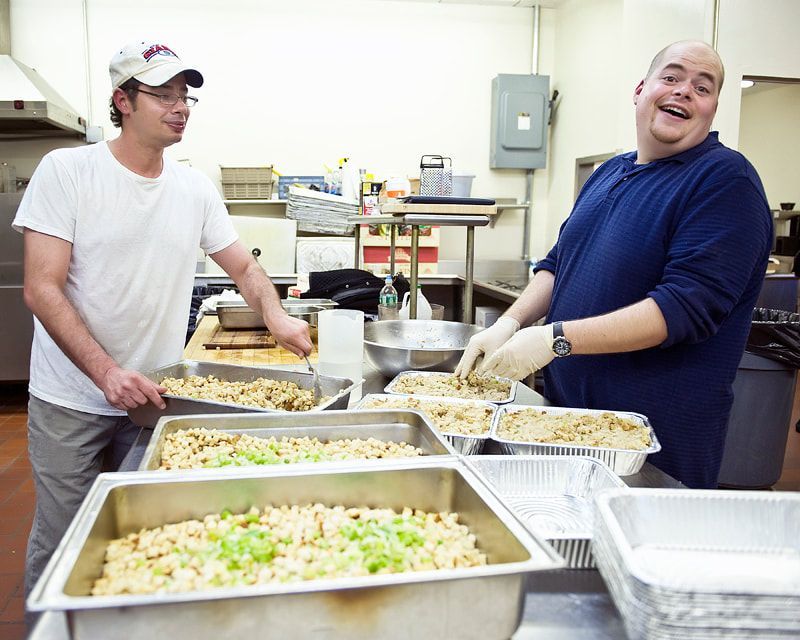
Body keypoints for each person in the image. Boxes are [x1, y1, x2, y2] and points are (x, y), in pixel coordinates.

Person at [13, 39, 313, 600]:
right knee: (65, 542)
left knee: (141, 536)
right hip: (71, 401)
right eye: (164, 95)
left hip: (152, 399)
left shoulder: (193, 188)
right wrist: (106, 374)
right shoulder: (68, 171)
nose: (180, 107)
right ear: (122, 101)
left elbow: (244, 266)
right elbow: (42, 289)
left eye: (186, 96)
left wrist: (276, 315)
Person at [456, 40, 772, 489]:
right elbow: (559, 262)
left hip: (650, 444)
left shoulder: (724, 182)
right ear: (641, 90)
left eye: (702, 87)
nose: (684, 91)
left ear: (713, 109)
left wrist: (556, 340)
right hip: (566, 421)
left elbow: (683, 310)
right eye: (672, 77)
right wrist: (510, 322)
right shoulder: (610, 172)